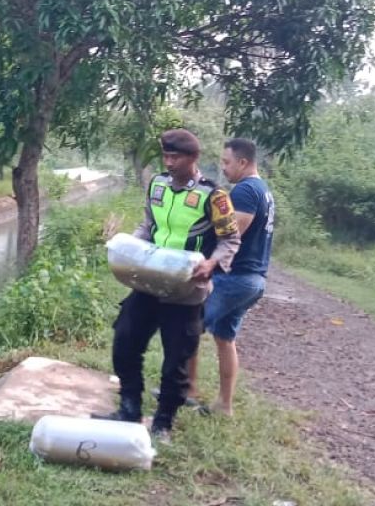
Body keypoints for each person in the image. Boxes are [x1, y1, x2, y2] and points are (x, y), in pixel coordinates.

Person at [95, 128, 240, 440]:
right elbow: (149, 225)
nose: (170, 163)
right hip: (149, 282)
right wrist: (129, 246)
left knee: (176, 360)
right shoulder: (157, 184)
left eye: (176, 157)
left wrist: (212, 264)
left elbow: (230, 239)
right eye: (166, 156)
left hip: (186, 290)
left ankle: (163, 424)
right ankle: (129, 409)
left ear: (193, 158)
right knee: (125, 340)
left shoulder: (214, 196)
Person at [188, 137, 275, 417]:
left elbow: (230, 234)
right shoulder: (263, 191)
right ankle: (224, 405)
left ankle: (186, 390)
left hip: (235, 278)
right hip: (252, 281)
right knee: (224, 337)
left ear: (243, 162)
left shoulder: (246, 190)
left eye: (227, 162)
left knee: (188, 324)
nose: (223, 168)